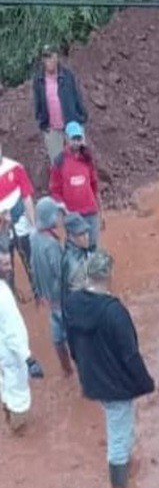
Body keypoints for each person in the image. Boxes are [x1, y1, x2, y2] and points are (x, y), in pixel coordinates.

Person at [64, 248, 155, 488]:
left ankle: (127, 463)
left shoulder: (72, 303)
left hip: (93, 378)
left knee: (119, 422)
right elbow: (130, 355)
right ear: (108, 275)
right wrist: (145, 382)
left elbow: (72, 342)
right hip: (116, 383)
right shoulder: (115, 312)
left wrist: (80, 367)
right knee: (118, 432)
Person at [0, 246, 44, 436]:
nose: (10, 267)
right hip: (10, 352)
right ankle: (17, 428)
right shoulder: (3, 295)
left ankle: (8, 412)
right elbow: (13, 332)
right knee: (18, 392)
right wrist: (29, 359)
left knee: (6, 383)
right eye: (5, 264)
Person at [30, 196, 72, 376]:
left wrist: (38, 292)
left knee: (56, 334)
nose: (59, 218)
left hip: (47, 295)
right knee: (72, 332)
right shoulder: (52, 245)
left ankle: (66, 369)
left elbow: (33, 265)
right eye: (57, 214)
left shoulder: (34, 237)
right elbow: (61, 273)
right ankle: (78, 368)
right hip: (60, 297)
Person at [50, 121, 103, 247]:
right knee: (76, 248)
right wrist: (64, 212)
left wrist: (101, 211)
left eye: (79, 138)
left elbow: (94, 185)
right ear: (67, 138)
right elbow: (55, 191)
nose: (76, 142)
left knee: (93, 246)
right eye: (74, 138)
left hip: (90, 211)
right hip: (73, 215)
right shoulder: (59, 162)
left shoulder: (87, 158)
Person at [32, 45, 88, 162]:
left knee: (79, 161)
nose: (49, 61)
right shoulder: (39, 80)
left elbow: (77, 97)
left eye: (51, 57)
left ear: (57, 57)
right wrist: (42, 123)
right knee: (58, 165)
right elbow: (38, 103)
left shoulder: (67, 76)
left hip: (71, 125)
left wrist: (81, 118)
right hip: (52, 129)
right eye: (46, 58)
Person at [0, 144, 38, 299]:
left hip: (21, 224)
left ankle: (39, 294)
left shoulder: (15, 168)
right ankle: (8, 298)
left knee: (30, 260)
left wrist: (34, 225)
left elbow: (27, 197)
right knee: (6, 267)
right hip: (1, 229)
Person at [61, 212, 94, 298]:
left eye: (86, 232)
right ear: (70, 236)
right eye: (81, 234)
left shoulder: (80, 252)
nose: (86, 237)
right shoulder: (73, 264)